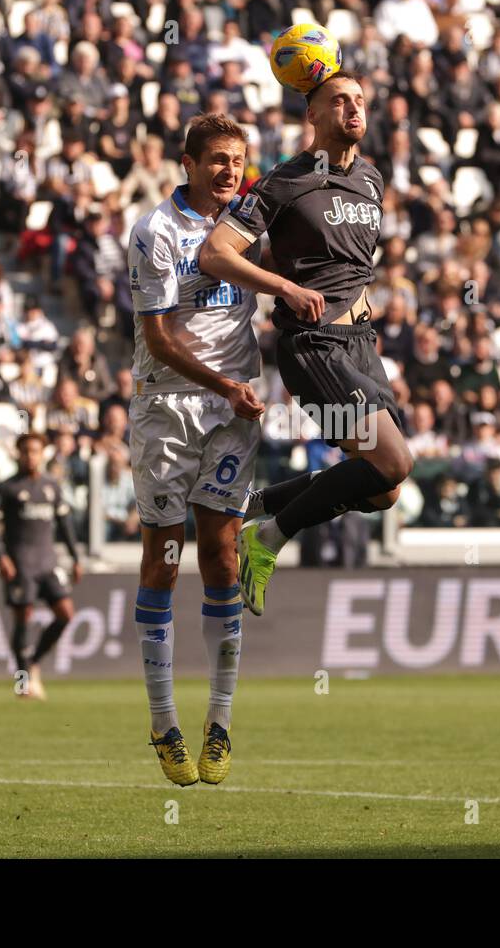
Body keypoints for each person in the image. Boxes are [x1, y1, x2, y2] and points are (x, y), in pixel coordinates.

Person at [200, 72, 414, 618]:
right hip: (312, 346)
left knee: (383, 490)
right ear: (312, 115)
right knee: (394, 460)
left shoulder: (371, 180)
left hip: (360, 346)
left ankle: (254, 506)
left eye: (360, 100)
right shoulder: (284, 180)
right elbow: (216, 254)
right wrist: (285, 288)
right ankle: (269, 536)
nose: (353, 109)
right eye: (338, 101)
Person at [125, 113, 263, 788]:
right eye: (215, 159)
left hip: (232, 412)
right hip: (168, 406)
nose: (227, 170)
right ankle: (163, 722)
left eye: (236, 159)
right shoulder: (155, 232)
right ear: (188, 163)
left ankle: (220, 722)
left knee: (222, 553)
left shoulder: (250, 226)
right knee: (163, 559)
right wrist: (227, 385)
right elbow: (158, 340)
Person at [0, 433, 83, 702]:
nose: (31, 456)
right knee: (23, 616)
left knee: (65, 614)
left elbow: (65, 525)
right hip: (20, 562)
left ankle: (34, 662)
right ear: (18, 454)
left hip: (47, 561)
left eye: (36, 451)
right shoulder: (7, 488)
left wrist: (76, 557)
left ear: (43, 454)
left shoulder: (52, 486)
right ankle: (22, 680)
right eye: (26, 451)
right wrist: (1, 557)